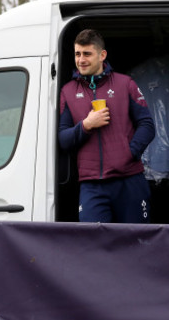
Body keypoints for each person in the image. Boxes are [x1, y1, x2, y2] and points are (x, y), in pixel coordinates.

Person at [58, 29, 155, 223]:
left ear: (102, 55)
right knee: (94, 246)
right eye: (77, 54)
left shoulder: (125, 83)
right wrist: (86, 125)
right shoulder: (68, 91)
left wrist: (129, 153)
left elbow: (147, 125)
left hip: (129, 180)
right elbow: (63, 139)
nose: (81, 59)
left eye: (87, 54)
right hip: (91, 185)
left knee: (136, 244)